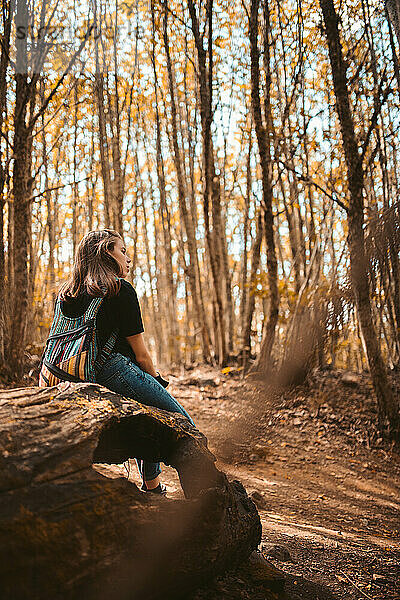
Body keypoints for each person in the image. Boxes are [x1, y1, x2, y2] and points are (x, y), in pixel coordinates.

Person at [44, 228, 194, 495]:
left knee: (148, 418)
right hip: (112, 369)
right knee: (183, 425)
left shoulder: (66, 294)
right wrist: (156, 380)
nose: (128, 258)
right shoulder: (119, 289)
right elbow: (141, 355)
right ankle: (207, 499)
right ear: (106, 252)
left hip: (67, 377)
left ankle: (153, 485)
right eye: (122, 250)